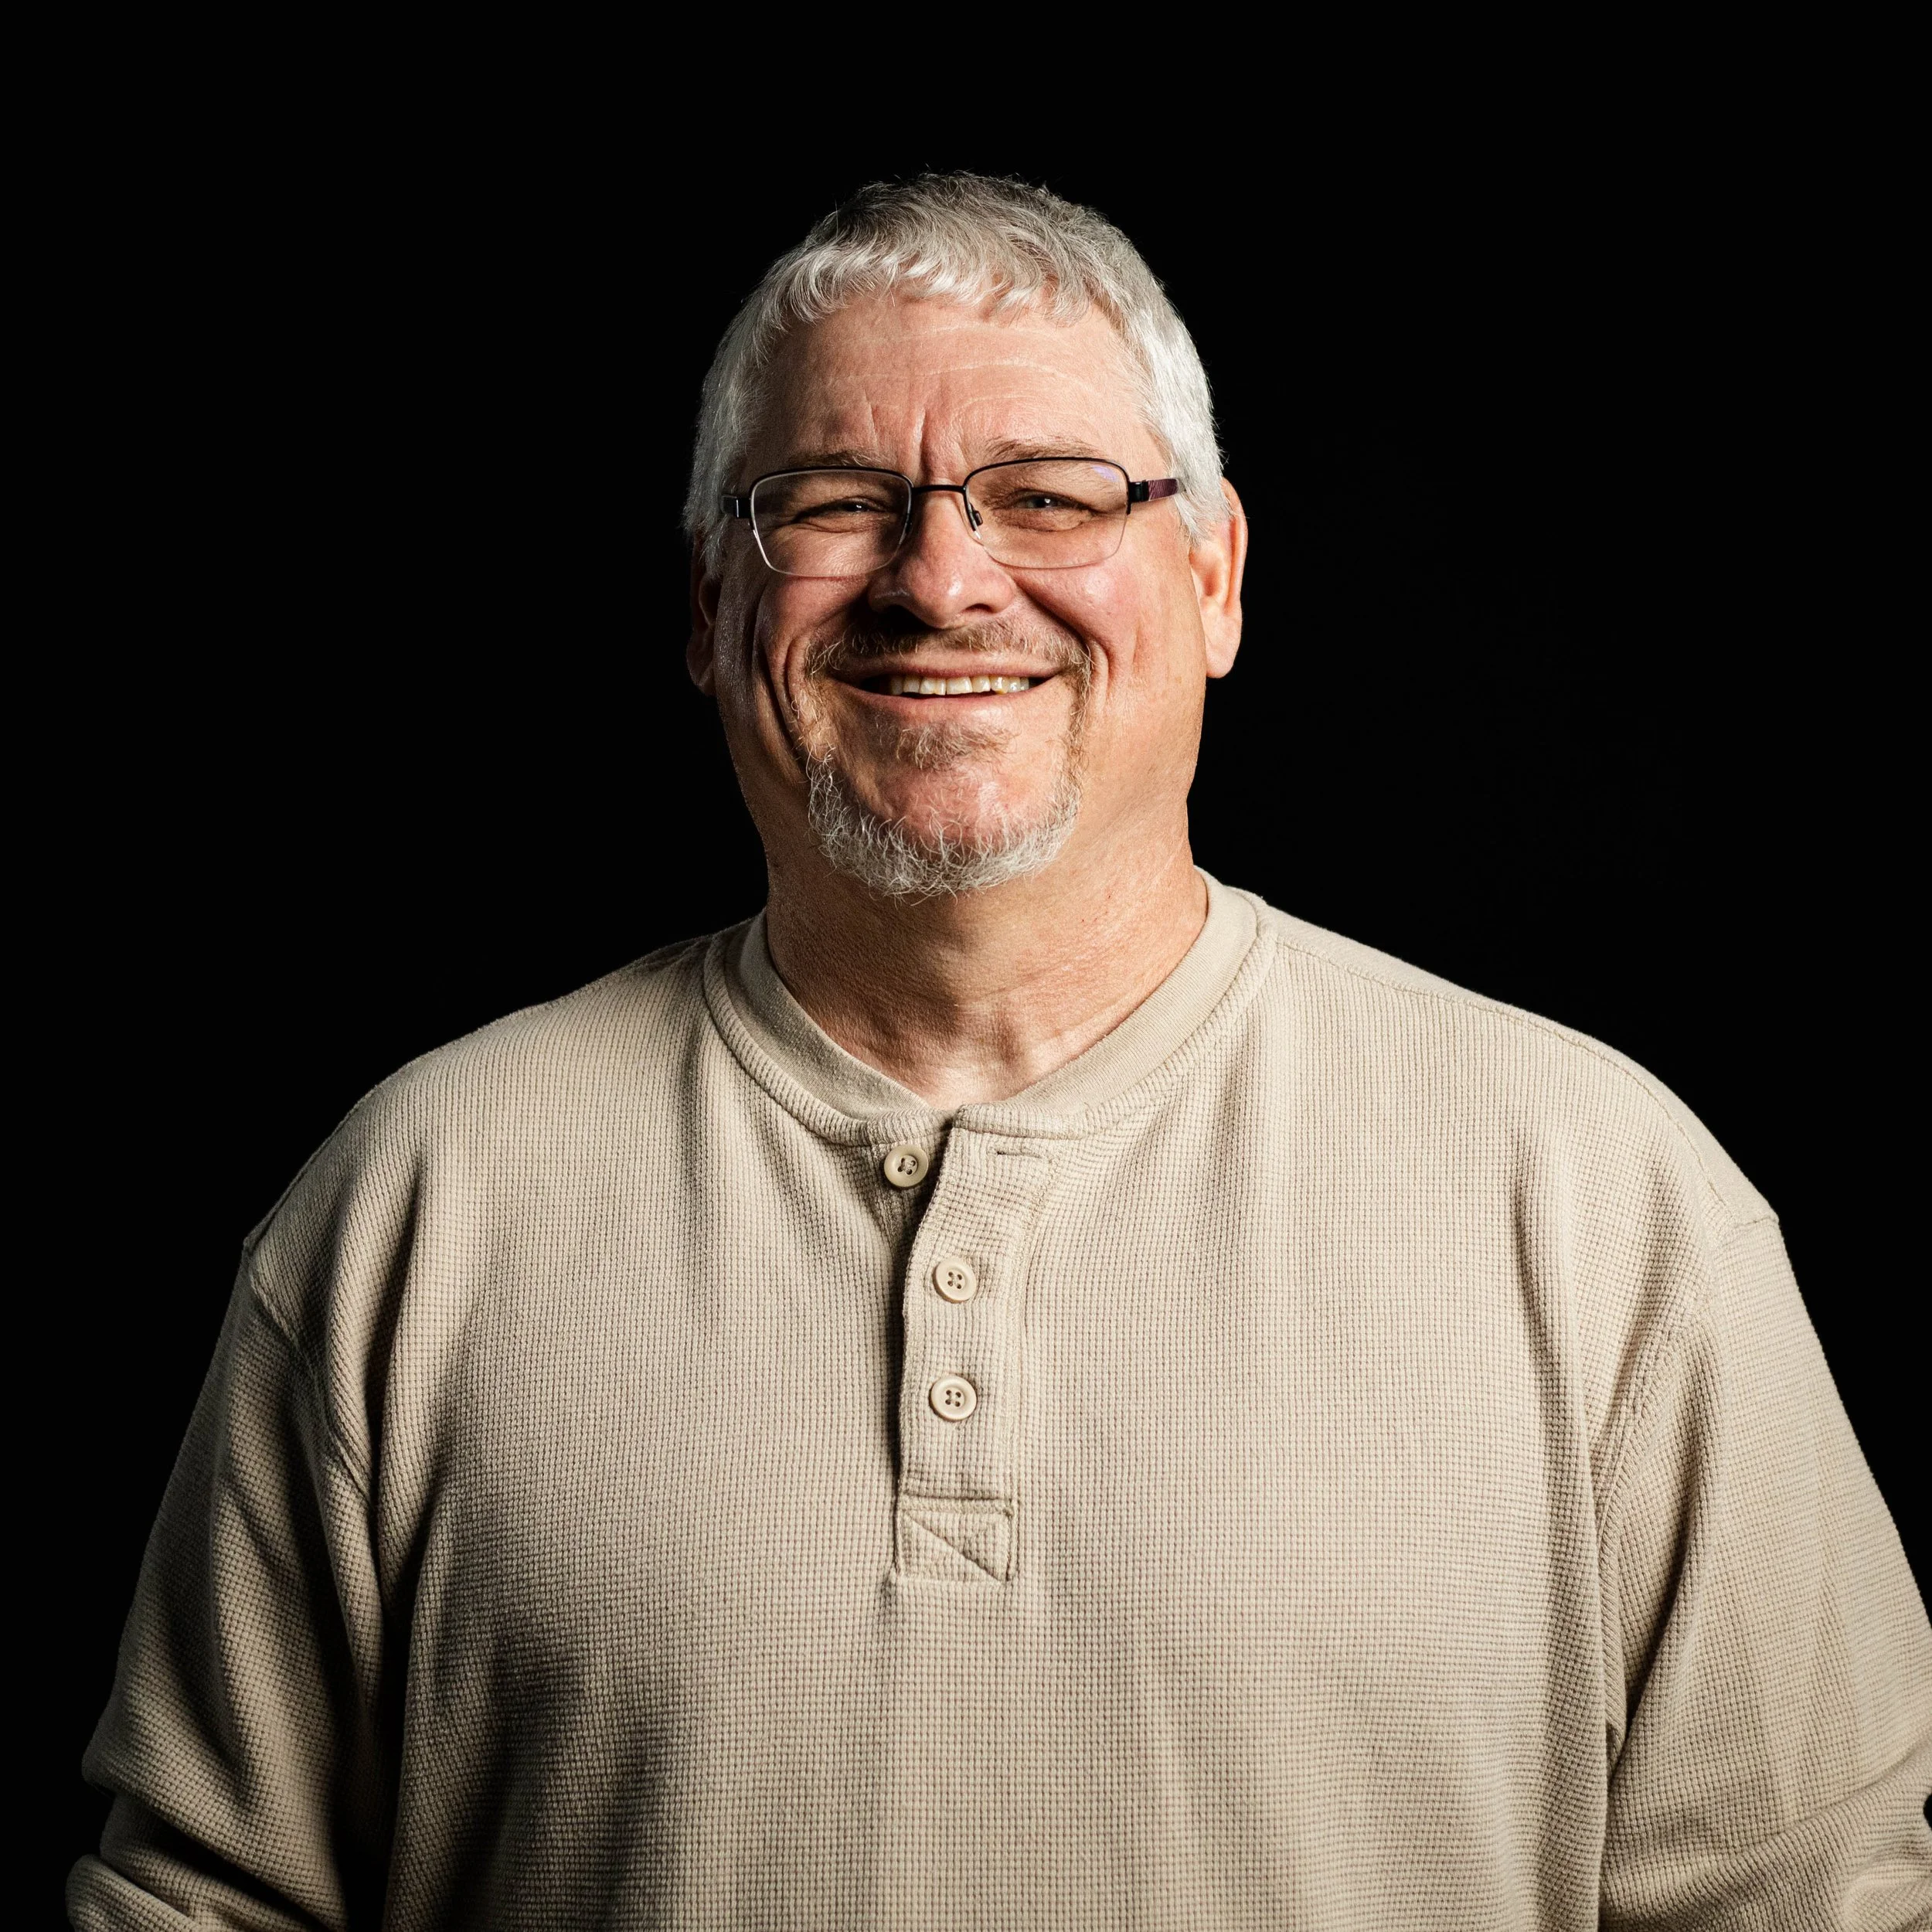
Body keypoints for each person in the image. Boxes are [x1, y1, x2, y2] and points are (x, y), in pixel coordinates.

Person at [71, 173, 1931, 1930]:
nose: (941, 579)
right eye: (832, 499)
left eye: (1047, 496)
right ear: (710, 606)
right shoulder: (415, 1205)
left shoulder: (1602, 1206)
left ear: (1212, 577)